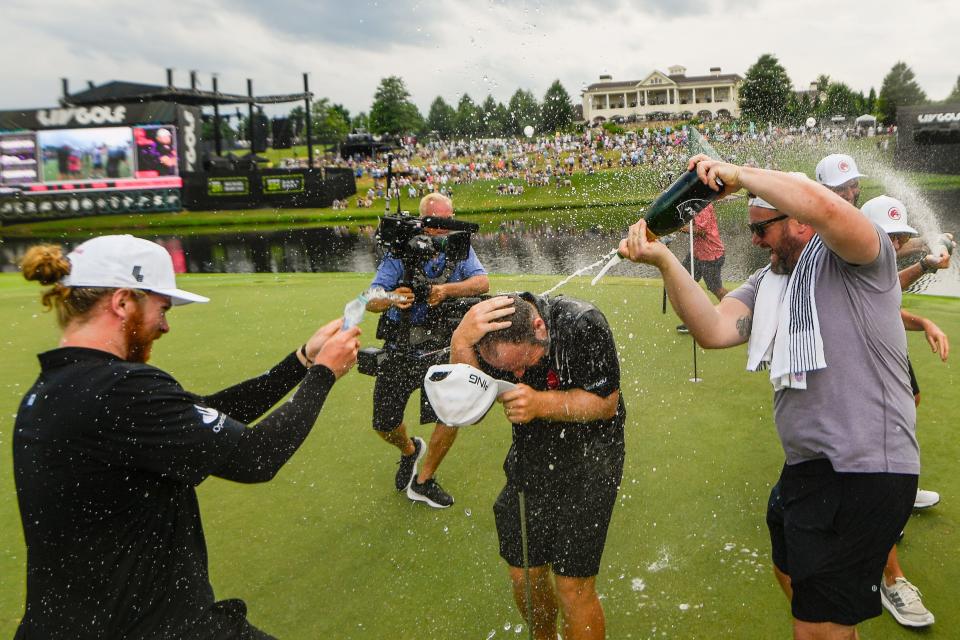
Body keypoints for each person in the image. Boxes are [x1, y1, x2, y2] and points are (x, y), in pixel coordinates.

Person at [619, 156, 918, 640]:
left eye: (761, 229)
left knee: (815, 628)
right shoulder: (770, 281)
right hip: (808, 467)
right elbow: (715, 330)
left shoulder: (862, 253)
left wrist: (737, 174)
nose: (754, 242)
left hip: (862, 468)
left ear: (798, 219)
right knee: (797, 580)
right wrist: (664, 260)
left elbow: (824, 206)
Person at [14, 235, 360, 639]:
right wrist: (324, 373)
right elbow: (257, 457)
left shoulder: (59, 388)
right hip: (151, 628)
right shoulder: (119, 389)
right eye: (160, 308)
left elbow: (207, 415)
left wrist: (302, 360)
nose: (165, 324)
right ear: (122, 301)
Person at [450, 293, 625, 640]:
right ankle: (544, 636)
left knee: (572, 586)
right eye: (508, 371)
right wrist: (460, 342)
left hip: (592, 460)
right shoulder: (489, 328)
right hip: (531, 458)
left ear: (539, 328)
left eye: (523, 364)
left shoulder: (583, 324)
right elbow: (469, 405)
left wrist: (539, 403)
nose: (516, 375)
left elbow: (607, 404)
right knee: (524, 576)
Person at [858, 194, 951, 628]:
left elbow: (890, 300)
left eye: (901, 238)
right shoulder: (853, 265)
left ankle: (897, 497)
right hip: (860, 384)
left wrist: (926, 320)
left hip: (885, 375)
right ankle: (892, 580)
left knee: (889, 468)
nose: (896, 246)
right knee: (874, 479)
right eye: (890, 238)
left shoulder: (875, 263)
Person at [366, 193, 489, 508]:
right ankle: (410, 451)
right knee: (384, 423)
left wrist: (445, 290)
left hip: (441, 349)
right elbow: (371, 299)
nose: (441, 229)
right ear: (422, 221)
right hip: (400, 348)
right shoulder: (400, 251)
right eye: (435, 223)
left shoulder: (459, 246)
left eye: (447, 220)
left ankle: (424, 480)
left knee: (449, 414)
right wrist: (393, 298)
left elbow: (481, 283)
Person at [675, 201, 727, 333]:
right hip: (696, 253)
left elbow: (701, 231)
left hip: (711, 254)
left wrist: (678, 228)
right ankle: (692, 322)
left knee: (716, 288)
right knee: (685, 283)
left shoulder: (702, 205)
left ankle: (735, 311)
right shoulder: (691, 203)